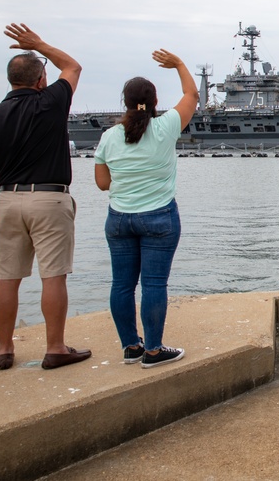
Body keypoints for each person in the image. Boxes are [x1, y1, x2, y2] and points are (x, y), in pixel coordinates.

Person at [0, 23, 88, 370]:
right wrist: (40, 43)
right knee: (53, 276)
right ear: (40, 81)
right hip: (49, 198)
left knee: (7, 278)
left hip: (6, 200)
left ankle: (4, 350)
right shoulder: (51, 102)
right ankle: (55, 348)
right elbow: (73, 67)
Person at [94, 49, 198, 368]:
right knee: (154, 284)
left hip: (119, 220)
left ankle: (130, 347)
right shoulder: (166, 126)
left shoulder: (109, 136)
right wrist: (179, 64)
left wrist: (128, 179)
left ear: (125, 102)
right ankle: (153, 350)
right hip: (159, 217)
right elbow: (191, 95)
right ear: (154, 102)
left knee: (122, 285)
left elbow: (102, 183)